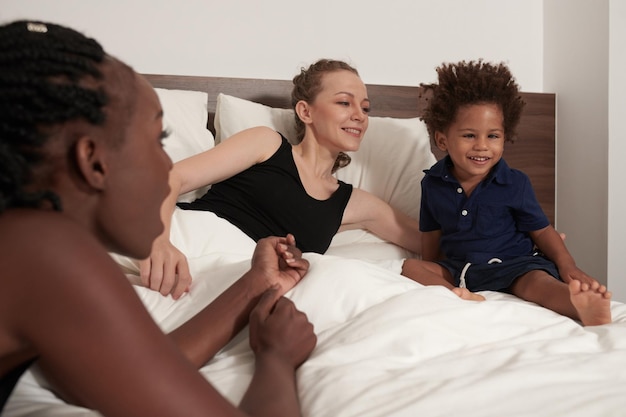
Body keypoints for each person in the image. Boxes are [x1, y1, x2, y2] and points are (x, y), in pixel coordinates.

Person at [0, 20, 317, 416]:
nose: (169, 166)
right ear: (93, 160)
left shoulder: (22, 240)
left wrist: (256, 284)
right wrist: (277, 358)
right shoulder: (45, 249)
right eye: (158, 141)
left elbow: (116, 376)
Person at [142, 59, 422, 298]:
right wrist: (157, 241)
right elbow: (172, 177)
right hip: (183, 240)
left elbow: (429, 243)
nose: (359, 116)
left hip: (241, 281)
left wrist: (462, 176)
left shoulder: (354, 203)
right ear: (305, 111)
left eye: (365, 108)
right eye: (344, 102)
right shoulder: (267, 144)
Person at [401, 59, 612, 326]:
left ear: (505, 136)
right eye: (469, 136)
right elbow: (431, 234)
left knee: (539, 282)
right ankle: (456, 296)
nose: (482, 147)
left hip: (514, 265)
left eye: (493, 136)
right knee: (411, 267)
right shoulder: (432, 183)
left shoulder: (515, 183)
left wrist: (568, 266)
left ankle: (581, 306)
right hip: (462, 269)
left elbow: (543, 231)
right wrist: (436, 271)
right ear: (442, 139)